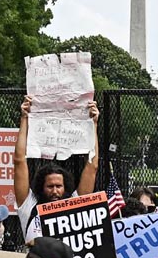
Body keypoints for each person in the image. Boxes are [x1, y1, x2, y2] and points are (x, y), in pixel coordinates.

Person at [13, 95, 99, 242]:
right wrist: (24, 118)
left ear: (65, 187)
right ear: (41, 187)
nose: (54, 191)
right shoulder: (29, 206)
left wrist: (93, 124)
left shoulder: (74, 204)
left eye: (59, 186)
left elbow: (92, 166)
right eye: (50, 186)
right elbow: (19, 161)